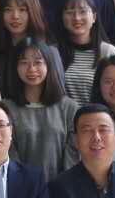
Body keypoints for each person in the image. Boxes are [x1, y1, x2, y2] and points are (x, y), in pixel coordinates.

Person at [6, 40, 78, 176]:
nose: (31, 69)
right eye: (24, 63)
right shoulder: (6, 108)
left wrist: (63, 184)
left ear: (49, 65)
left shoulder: (69, 108)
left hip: (62, 185)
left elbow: (73, 155)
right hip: (20, 185)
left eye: (38, 62)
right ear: (15, 67)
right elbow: (8, 154)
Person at [56, 0, 115, 103]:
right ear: (62, 17)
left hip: (99, 113)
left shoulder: (108, 52)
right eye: (70, 12)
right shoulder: (54, 52)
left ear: (94, 17)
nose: (77, 18)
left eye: (83, 11)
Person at [0, 0, 52, 85]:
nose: (15, 16)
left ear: (33, 11)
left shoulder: (48, 51)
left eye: (22, 10)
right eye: (8, 10)